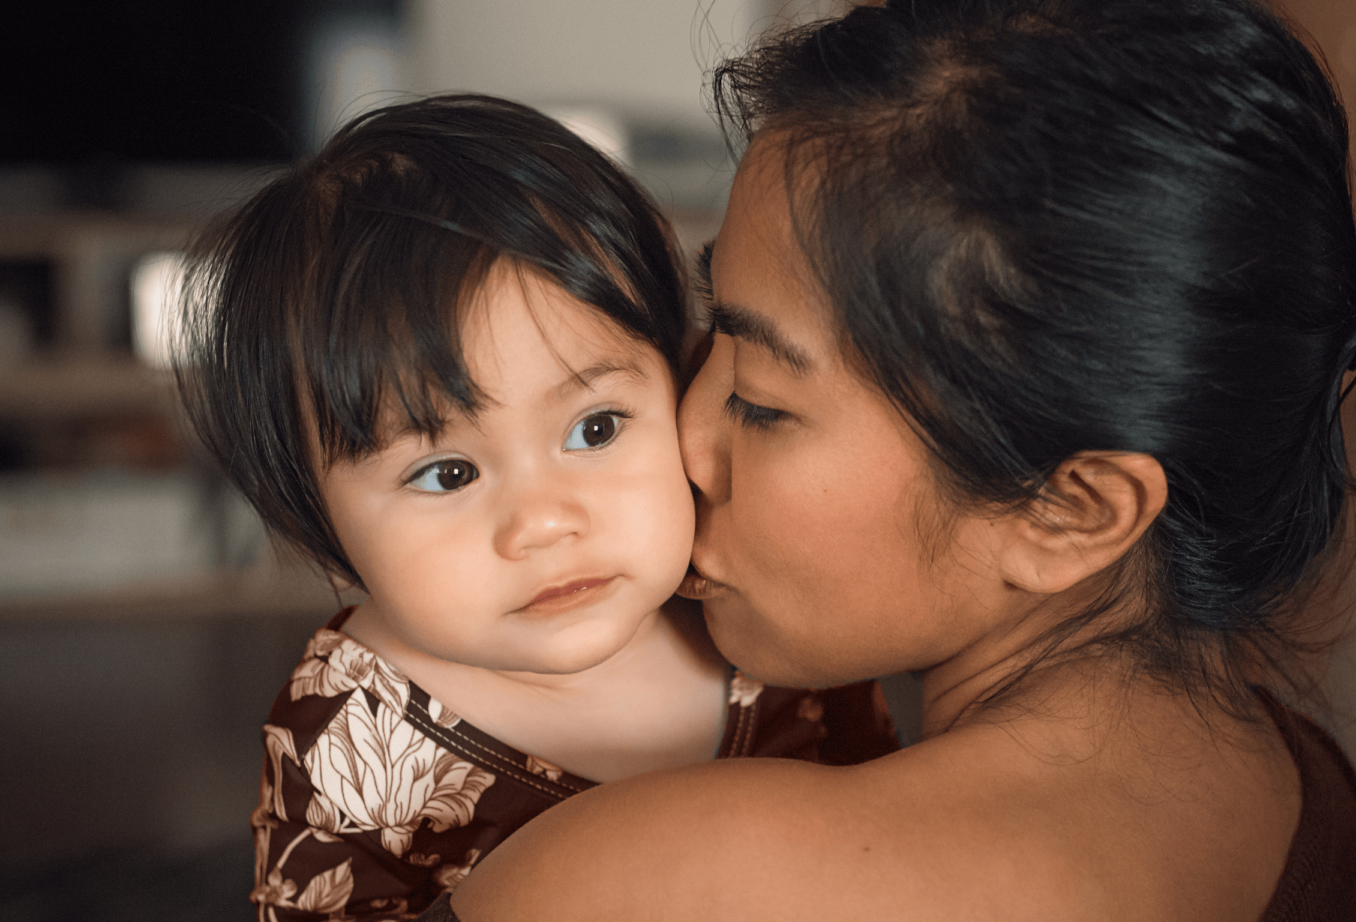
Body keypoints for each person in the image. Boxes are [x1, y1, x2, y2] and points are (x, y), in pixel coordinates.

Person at [433, 0, 1356, 918]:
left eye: (764, 403)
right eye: (713, 325)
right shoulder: (1291, 779)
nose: (682, 429)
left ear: (1071, 510)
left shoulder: (659, 880)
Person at [175, 95, 896, 922]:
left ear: (682, 383)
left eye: (595, 428)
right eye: (446, 474)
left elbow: (900, 830)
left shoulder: (764, 604)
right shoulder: (349, 738)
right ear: (317, 517)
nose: (546, 522)